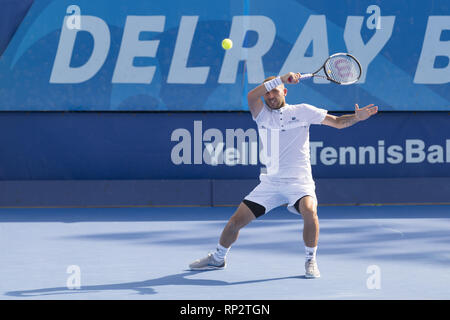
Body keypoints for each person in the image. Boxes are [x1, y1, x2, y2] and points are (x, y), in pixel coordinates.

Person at [189, 72, 378, 278]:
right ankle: (218, 259)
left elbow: (338, 122)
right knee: (235, 223)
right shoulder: (260, 113)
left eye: (275, 92)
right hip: (270, 184)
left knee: (309, 211)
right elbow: (252, 96)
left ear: (285, 92)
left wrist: (356, 118)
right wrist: (280, 79)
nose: (270, 96)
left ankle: (310, 260)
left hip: (300, 183)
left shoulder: (304, 111)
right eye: (267, 93)